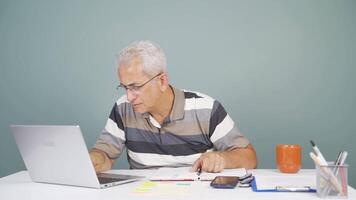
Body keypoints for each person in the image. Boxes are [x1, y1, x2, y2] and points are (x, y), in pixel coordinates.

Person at [89, 40, 257, 173]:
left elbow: (250, 158)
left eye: (136, 87)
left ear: (162, 81)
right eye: (125, 87)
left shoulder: (206, 109)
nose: (129, 96)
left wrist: (223, 158)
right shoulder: (122, 108)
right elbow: (104, 156)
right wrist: (92, 160)